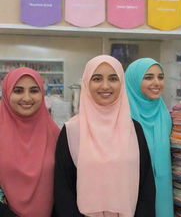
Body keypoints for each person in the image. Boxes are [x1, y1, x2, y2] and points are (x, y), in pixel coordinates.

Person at [54, 55, 155, 217]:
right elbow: (63, 190)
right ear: (86, 83)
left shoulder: (134, 129)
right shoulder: (72, 131)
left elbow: (146, 186)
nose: (105, 86)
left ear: (121, 83)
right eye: (97, 78)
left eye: (113, 78)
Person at [0, 67, 60, 217]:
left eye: (34, 90)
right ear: (7, 93)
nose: (26, 98)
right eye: (18, 91)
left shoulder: (55, 134)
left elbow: (63, 184)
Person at [125, 58, 174, 217]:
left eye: (160, 77)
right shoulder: (124, 116)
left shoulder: (165, 114)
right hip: (133, 195)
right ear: (133, 81)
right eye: (148, 77)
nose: (156, 82)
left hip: (162, 195)